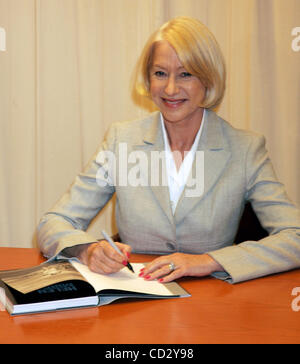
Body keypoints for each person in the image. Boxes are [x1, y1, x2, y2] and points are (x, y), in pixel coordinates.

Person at [37, 16, 300, 284]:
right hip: (136, 300)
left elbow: (295, 236)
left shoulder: (245, 149)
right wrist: (87, 250)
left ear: (208, 79)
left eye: (185, 74)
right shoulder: (122, 140)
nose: (171, 89)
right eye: (160, 73)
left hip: (212, 302)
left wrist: (209, 261)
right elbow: (54, 222)